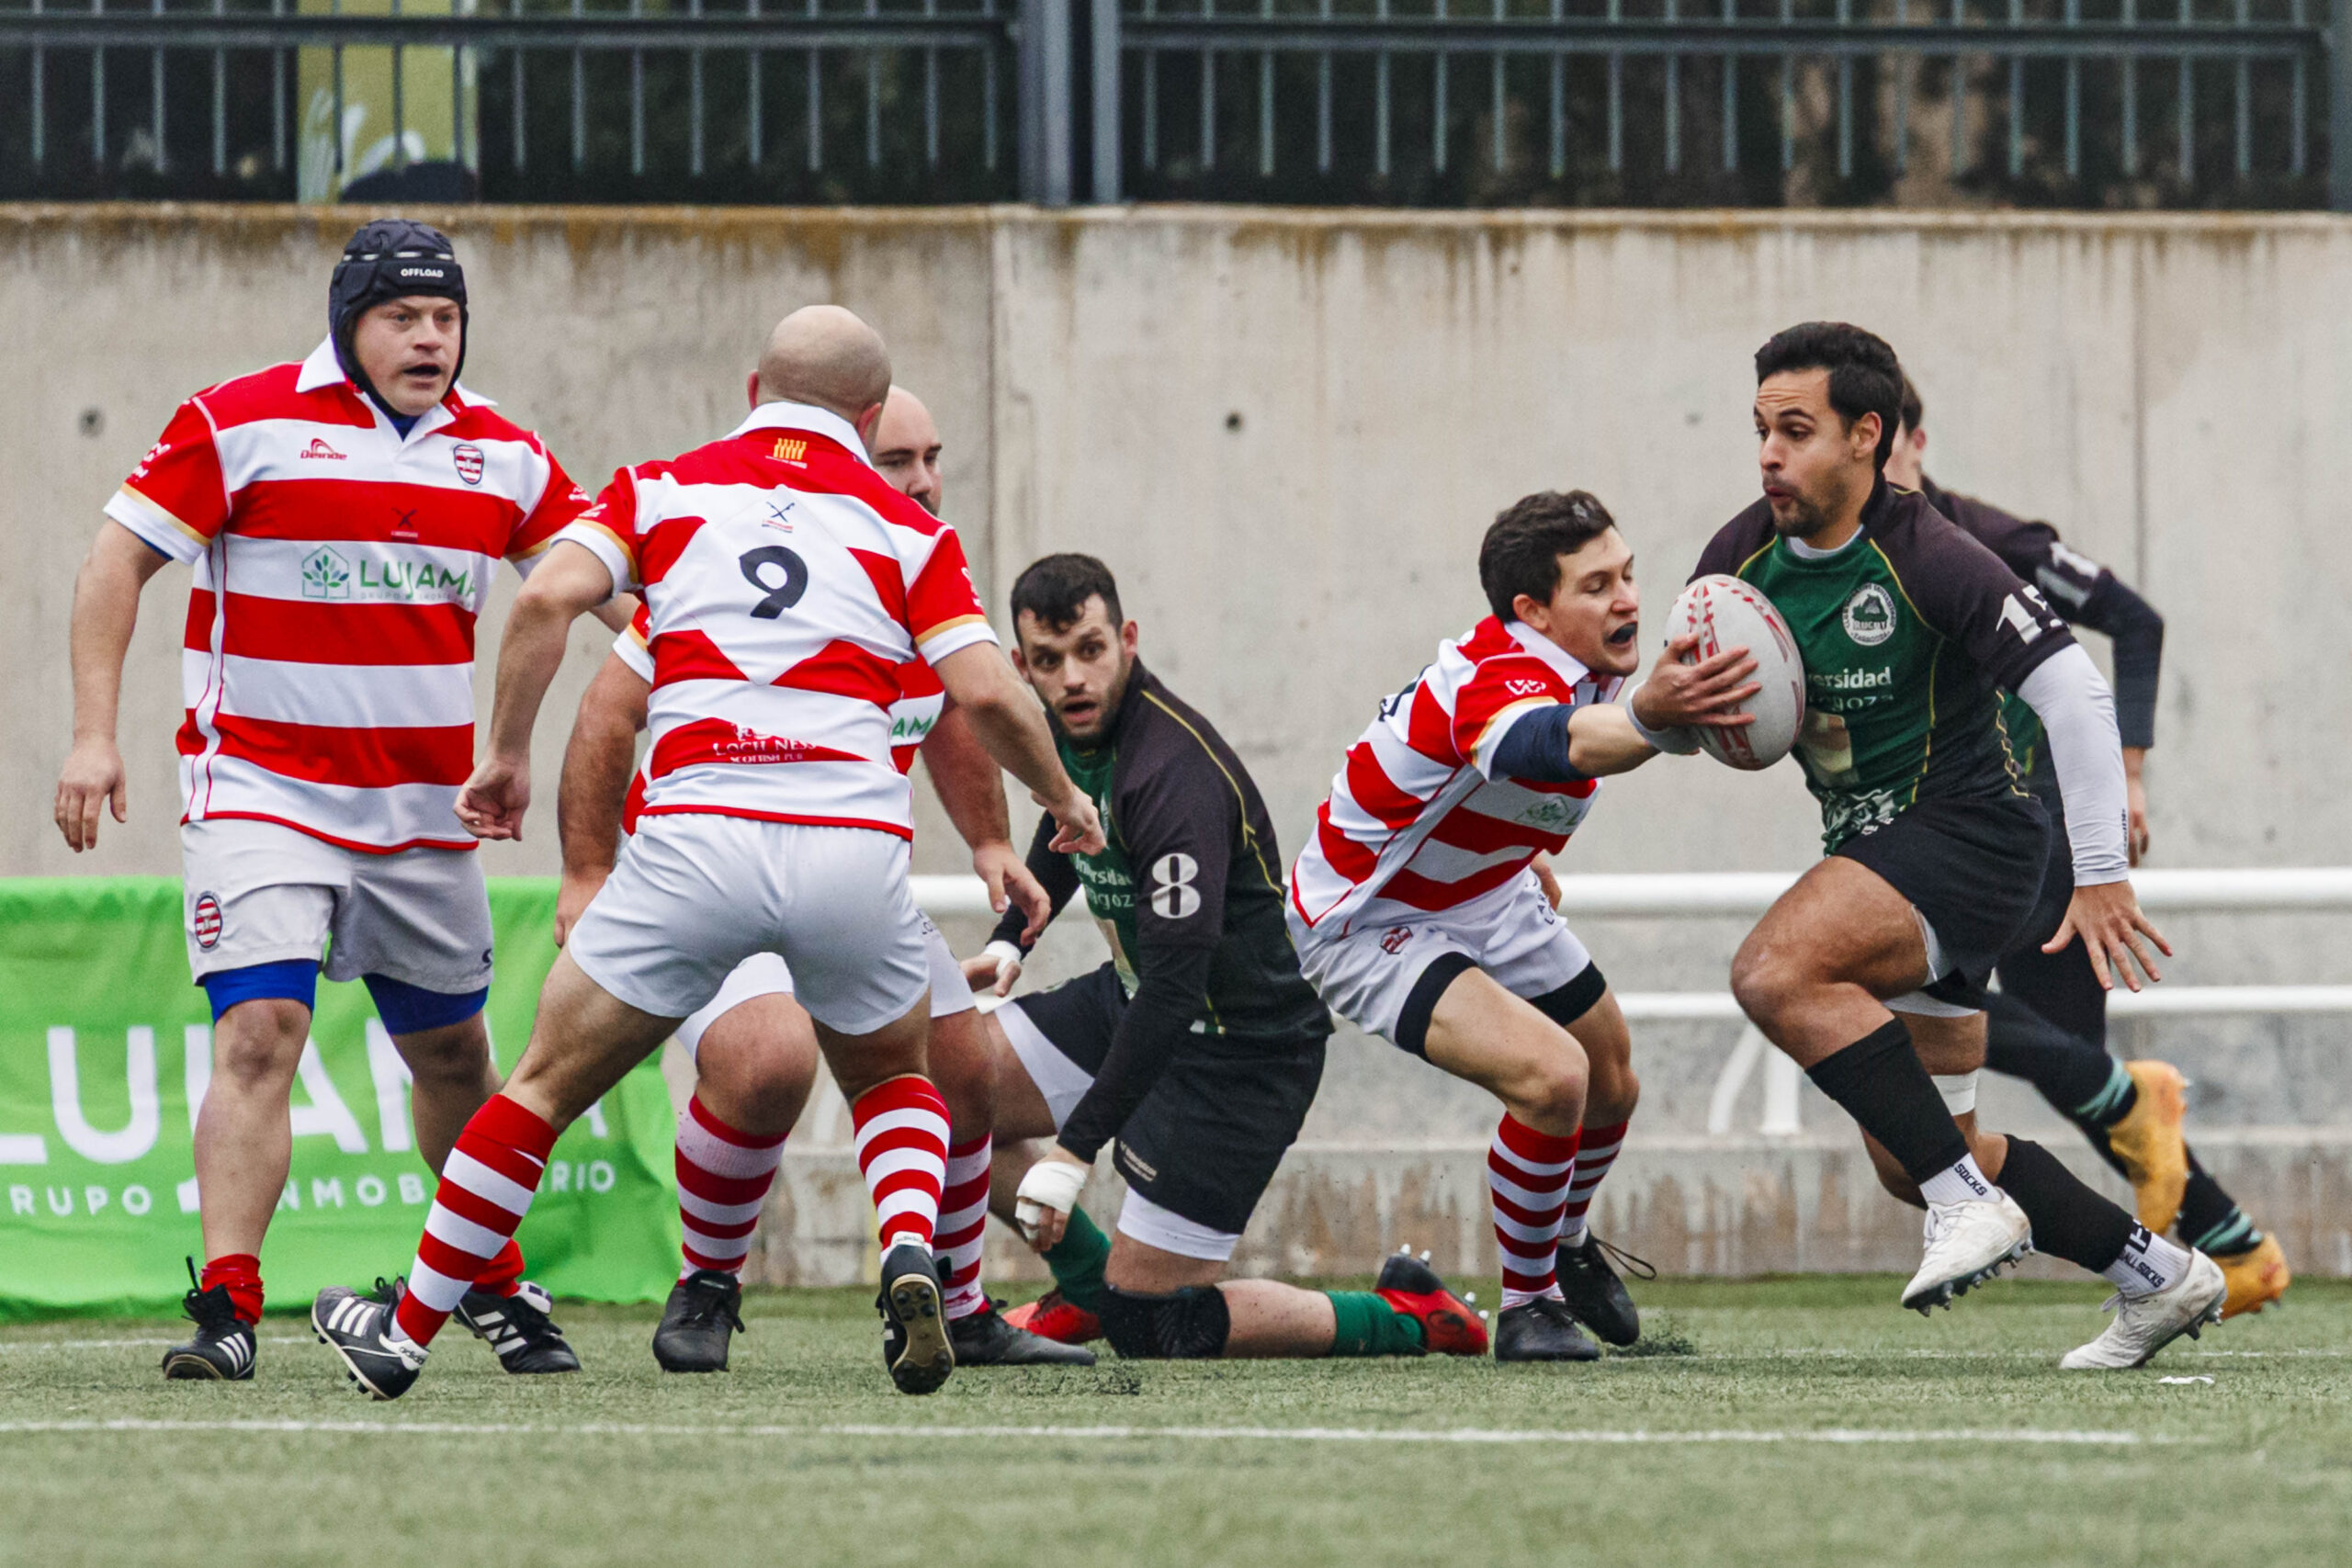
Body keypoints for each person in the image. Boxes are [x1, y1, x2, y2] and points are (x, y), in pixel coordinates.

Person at [309, 305, 1102, 1401]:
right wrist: (1062, 801)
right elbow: (989, 694)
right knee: (891, 1077)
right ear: (868, 416)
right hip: (847, 847)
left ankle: (402, 1335)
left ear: (753, 392)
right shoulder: (908, 534)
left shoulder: (662, 490)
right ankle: (908, 1248)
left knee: (538, 1089)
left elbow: (543, 597)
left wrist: (503, 755)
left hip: (696, 841)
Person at [56, 219, 603, 1383]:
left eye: (446, 318)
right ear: (349, 323)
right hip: (260, 794)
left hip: (423, 816)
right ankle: (229, 1303)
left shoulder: (505, 454)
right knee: (261, 1032)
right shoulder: (239, 420)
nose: (429, 339)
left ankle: (488, 1277)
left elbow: (603, 585)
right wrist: (94, 736)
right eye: (402, 317)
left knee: (454, 1055)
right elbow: (115, 562)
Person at [1698, 321, 2224, 1370]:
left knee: (1773, 971)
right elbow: (1693, 715)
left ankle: (1964, 1204)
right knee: (1918, 1154)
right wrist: (1669, 713)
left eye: (1795, 431)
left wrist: (2102, 877)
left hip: (1970, 841)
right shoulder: (1738, 560)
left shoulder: (1931, 553)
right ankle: (2159, 1274)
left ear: (1867, 435)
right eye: (1760, 430)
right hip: (1881, 849)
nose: (1769, 455)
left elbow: (2074, 692)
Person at [554, 385, 1091, 1371]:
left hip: (838, 875)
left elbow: (955, 709)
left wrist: (989, 841)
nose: (921, 481)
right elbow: (604, 714)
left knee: (964, 1066)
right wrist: (586, 872)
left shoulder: (906, 556)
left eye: (932, 458)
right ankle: (707, 1281)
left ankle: (958, 1307)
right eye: (897, 461)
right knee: (767, 1063)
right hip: (712, 868)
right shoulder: (740, 561)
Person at [961, 554, 1491, 1362]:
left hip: (1241, 1050)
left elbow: (1179, 988)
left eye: (1090, 650)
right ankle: (1085, 1283)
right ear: (1021, 664)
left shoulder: (1171, 775)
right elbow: (1075, 816)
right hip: (1138, 998)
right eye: (1048, 659)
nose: (1072, 678)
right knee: (944, 1091)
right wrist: (1010, 936)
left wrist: (1073, 1151)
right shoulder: (1071, 727)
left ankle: (1405, 1313)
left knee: (1152, 1325)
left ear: (1128, 640)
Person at [1283, 493, 1759, 1361]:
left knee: (1612, 1077)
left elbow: (1497, 773)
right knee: (1554, 1077)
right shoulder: (1498, 670)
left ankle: (1564, 1240)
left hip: (1484, 890)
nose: (1627, 599)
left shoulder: (1592, 663)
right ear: (1532, 611)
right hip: (1367, 920)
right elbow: (1544, 742)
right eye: (1596, 585)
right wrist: (1653, 715)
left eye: (1627, 573)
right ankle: (1528, 1304)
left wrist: (1520, 849)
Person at [1883, 378, 2288, 1320]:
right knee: (2073, 1062)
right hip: (1963, 823)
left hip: (2030, 826)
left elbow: (2136, 621)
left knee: (1899, 994)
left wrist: (2130, 774)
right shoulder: (1851, 561)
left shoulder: (1990, 542)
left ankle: (2129, 1107)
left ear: (1912, 443)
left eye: (1884, 448)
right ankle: (2237, 1246)